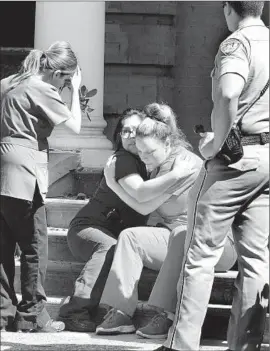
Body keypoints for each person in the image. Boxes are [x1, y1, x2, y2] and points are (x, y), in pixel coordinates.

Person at [153, 2, 269, 351]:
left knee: (198, 258)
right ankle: (244, 347)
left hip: (235, 160)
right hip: (266, 159)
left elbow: (229, 92)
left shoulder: (237, 43)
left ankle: (181, 345)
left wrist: (218, 144)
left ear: (227, 9)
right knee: (256, 262)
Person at [95, 103, 237, 335]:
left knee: (181, 234)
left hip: (216, 245)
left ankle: (165, 314)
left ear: (168, 143)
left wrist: (112, 183)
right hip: (177, 239)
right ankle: (120, 312)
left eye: (149, 152)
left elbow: (143, 201)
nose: (144, 157)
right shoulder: (160, 164)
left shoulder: (185, 165)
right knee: (131, 237)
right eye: (140, 151)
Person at [58, 108, 184, 332]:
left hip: (116, 231)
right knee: (110, 246)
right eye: (125, 131)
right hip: (88, 229)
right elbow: (141, 194)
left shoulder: (148, 162)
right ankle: (74, 311)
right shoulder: (123, 159)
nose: (129, 136)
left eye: (135, 130)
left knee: (122, 244)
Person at [0, 41, 82, 332]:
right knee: (34, 245)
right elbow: (74, 128)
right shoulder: (43, 88)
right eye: (68, 78)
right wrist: (74, 93)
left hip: (2, 164)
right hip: (24, 168)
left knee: (3, 246)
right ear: (59, 74)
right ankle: (34, 316)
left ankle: (3, 314)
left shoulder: (8, 82)